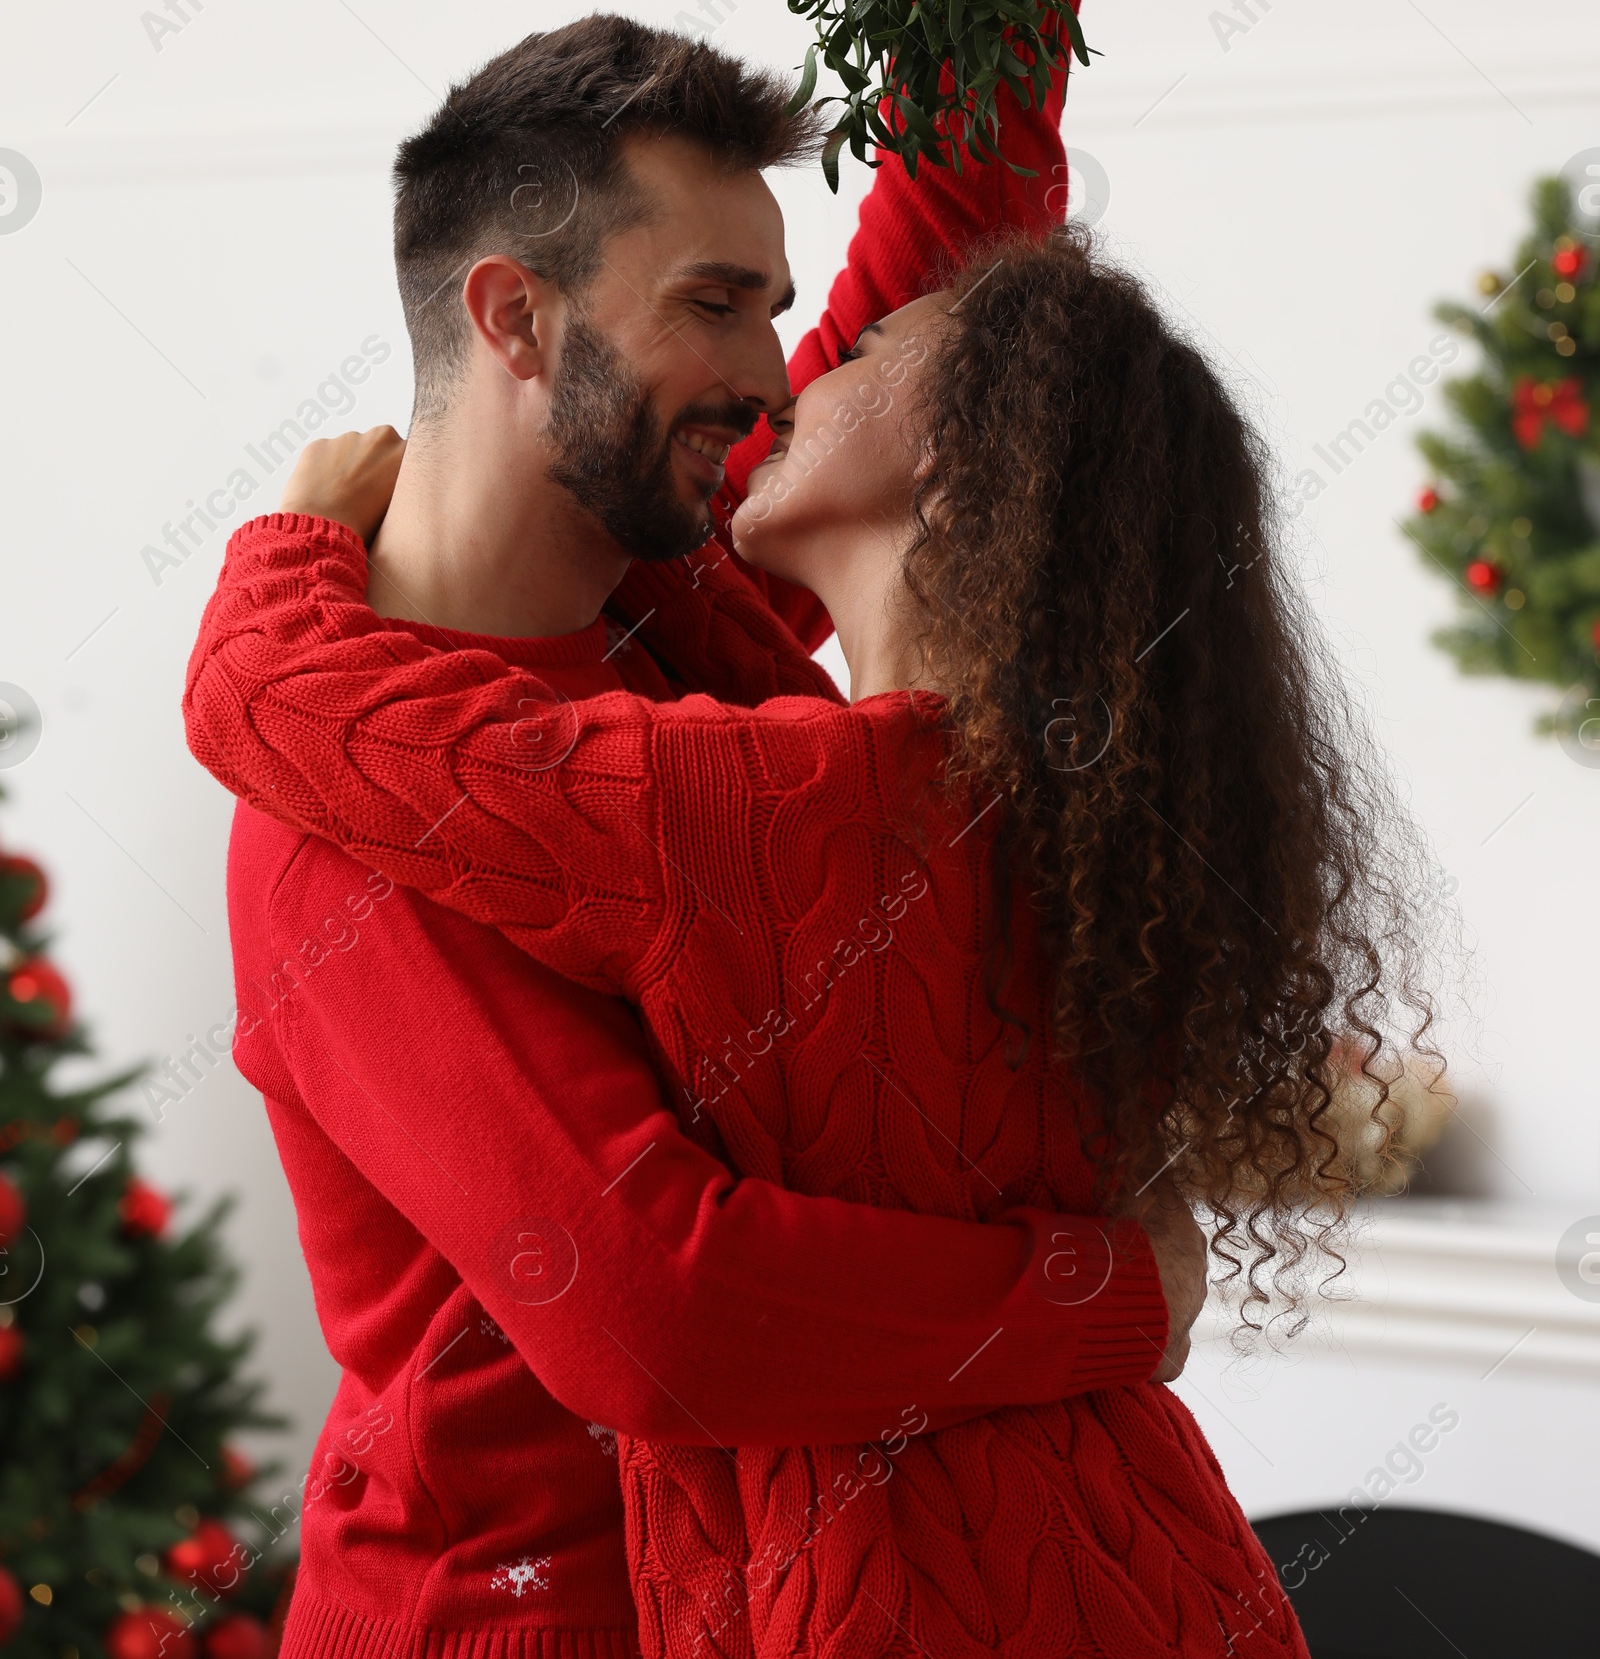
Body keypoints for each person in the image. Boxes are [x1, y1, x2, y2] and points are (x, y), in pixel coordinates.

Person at [193, 0, 1214, 1659]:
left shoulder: (676, 620)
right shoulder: (350, 818)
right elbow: (661, 1302)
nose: (773, 367)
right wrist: (1108, 1300)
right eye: (715, 305)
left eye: (775, 298)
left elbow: (913, 371)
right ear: (513, 318)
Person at [185, 228, 1430, 1658]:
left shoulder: (764, 811)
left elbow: (271, 702)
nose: (791, 380)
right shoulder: (1102, 821)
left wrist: (295, 540)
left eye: (863, 355)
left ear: (955, 469)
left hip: (897, 1602)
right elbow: (690, 583)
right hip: (1148, 1555)